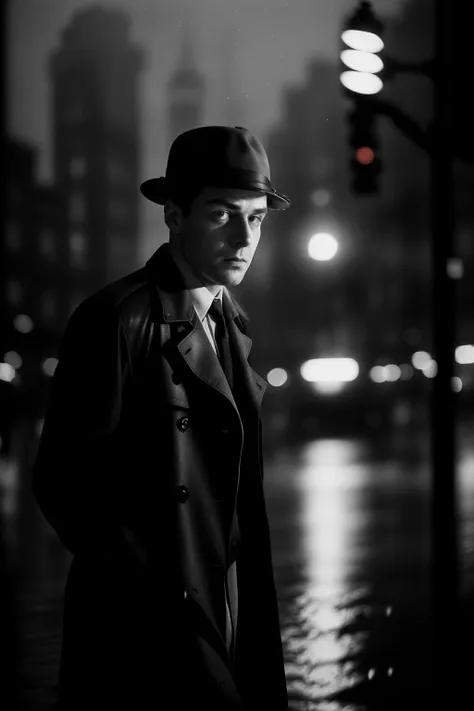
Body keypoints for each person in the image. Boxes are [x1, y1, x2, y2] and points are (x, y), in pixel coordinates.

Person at [33, 125, 291, 710]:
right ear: (174, 215)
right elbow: (62, 481)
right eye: (222, 214)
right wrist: (154, 588)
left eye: (256, 219)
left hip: (220, 596)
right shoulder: (116, 320)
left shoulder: (232, 324)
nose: (244, 236)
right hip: (148, 622)